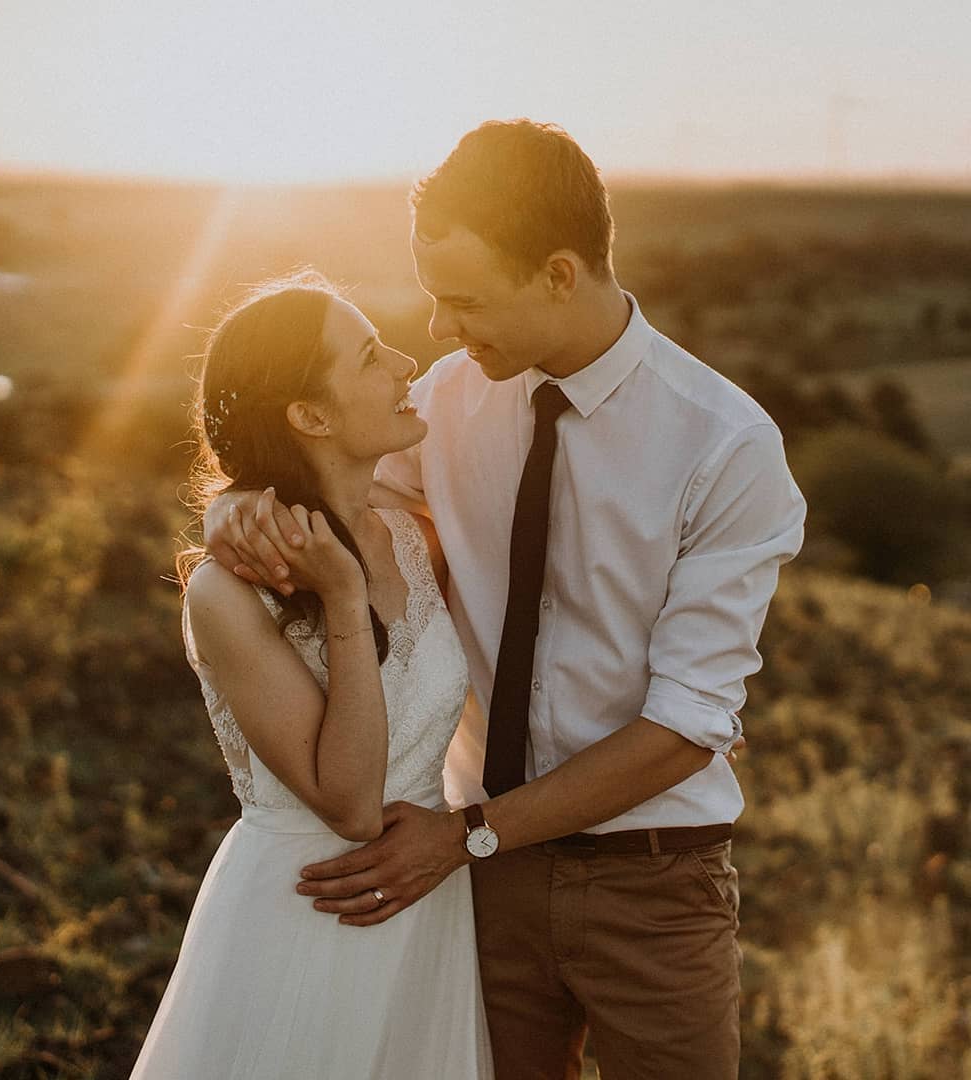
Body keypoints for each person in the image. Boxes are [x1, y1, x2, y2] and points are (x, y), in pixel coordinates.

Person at [206, 120, 807, 1079]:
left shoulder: (725, 447)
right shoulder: (447, 402)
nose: (437, 331)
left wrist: (468, 835)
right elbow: (315, 476)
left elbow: (690, 722)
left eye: (464, 301)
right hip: (469, 890)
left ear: (560, 274)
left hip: (651, 879)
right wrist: (236, 505)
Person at [131, 272, 493, 1079]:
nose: (404, 364)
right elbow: (352, 802)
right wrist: (340, 595)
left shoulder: (416, 541)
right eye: (370, 356)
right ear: (310, 416)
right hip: (307, 913)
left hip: (425, 912)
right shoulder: (226, 594)